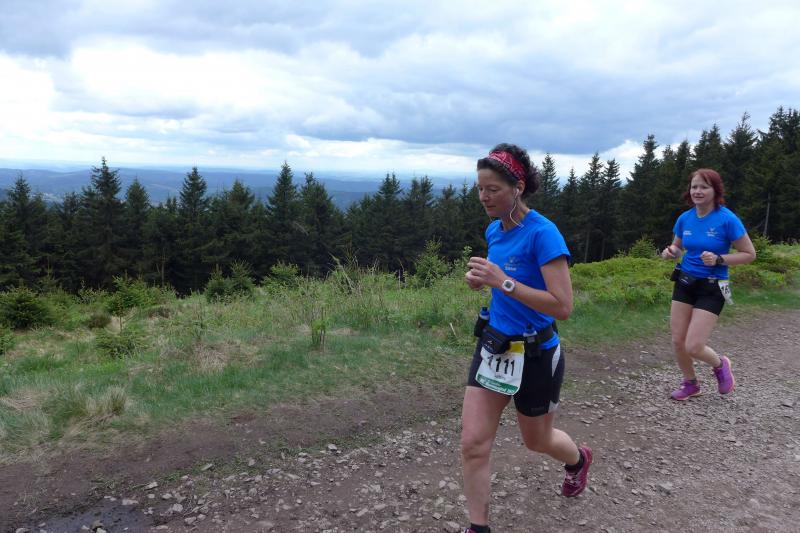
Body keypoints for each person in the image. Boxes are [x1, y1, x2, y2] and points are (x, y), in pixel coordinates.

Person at [461, 143, 592, 533]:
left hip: (536, 353)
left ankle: (578, 460)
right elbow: (503, 281)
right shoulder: (494, 229)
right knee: (473, 443)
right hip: (495, 346)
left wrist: (502, 281)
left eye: (493, 189)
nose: (483, 197)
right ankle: (478, 527)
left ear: (517, 188)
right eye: (479, 188)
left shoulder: (543, 234)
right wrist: (482, 281)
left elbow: (562, 306)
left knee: (537, 440)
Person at [660, 168, 756, 401]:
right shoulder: (685, 218)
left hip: (712, 286)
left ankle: (720, 364)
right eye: (694, 187)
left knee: (694, 345)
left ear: (715, 191)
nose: (698, 191)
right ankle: (690, 384)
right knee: (678, 341)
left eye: (704, 187)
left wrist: (719, 259)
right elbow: (678, 247)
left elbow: (749, 254)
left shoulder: (727, 219)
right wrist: (671, 252)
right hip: (685, 282)